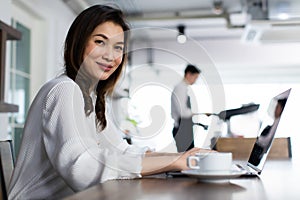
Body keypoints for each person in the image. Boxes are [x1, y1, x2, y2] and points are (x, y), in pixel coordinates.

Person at [8, 5, 210, 199]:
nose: (110, 56)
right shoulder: (64, 89)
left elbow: (120, 149)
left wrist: (182, 157)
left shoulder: (92, 97)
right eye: (100, 42)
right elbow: (81, 168)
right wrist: (174, 161)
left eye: (118, 48)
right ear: (79, 42)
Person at [171, 64, 201, 152]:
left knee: (189, 157)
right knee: (186, 159)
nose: (195, 81)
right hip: (182, 130)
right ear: (188, 74)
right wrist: (193, 113)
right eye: (195, 77)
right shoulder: (180, 88)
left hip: (185, 129)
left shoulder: (183, 88)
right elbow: (182, 112)